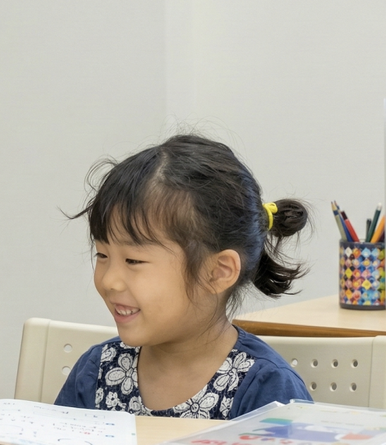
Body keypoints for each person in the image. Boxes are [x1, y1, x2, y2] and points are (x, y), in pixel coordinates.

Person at [55, 134, 311, 419]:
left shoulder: (266, 390)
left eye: (133, 260)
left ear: (218, 272)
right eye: (102, 255)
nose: (109, 281)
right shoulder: (96, 372)